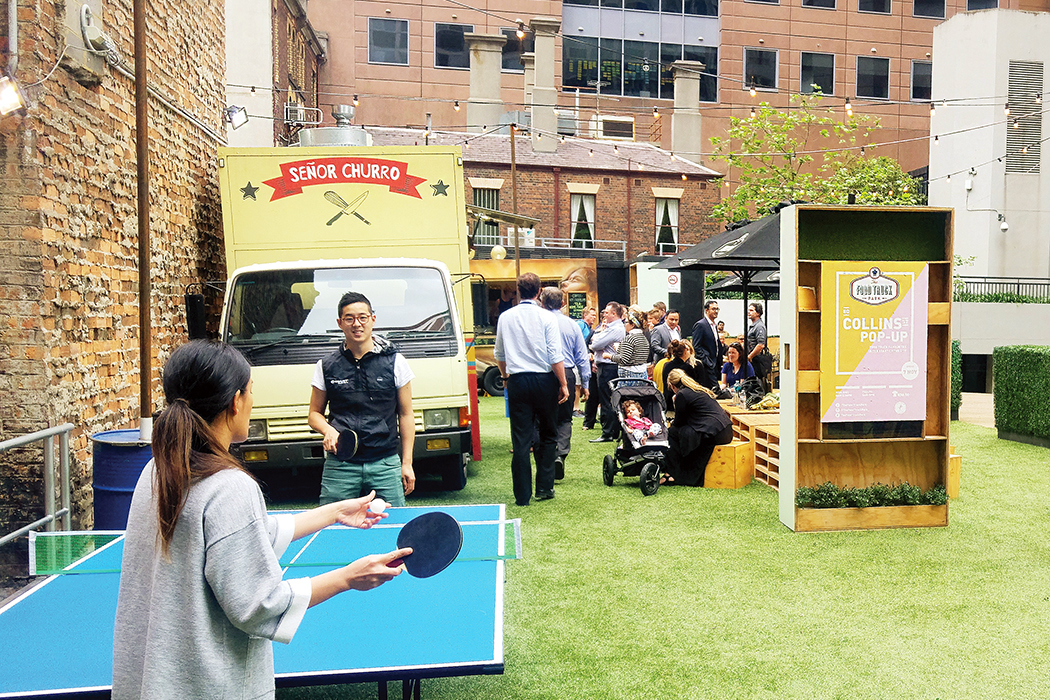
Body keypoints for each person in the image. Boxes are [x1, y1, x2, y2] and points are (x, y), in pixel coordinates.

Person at [113, 340, 410, 700]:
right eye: (251, 391)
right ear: (235, 402)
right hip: (210, 687)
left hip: (152, 683)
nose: (252, 402)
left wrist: (333, 512)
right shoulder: (230, 487)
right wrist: (349, 577)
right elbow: (258, 605)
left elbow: (240, 539)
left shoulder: (158, 471)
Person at [308, 292, 415, 507]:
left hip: (385, 462)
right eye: (349, 318)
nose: (357, 324)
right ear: (340, 323)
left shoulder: (396, 362)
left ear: (372, 320)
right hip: (341, 464)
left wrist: (407, 463)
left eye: (362, 317)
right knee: (331, 528)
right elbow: (314, 414)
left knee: (394, 526)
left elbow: (406, 414)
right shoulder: (326, 365)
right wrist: (328, 430)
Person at [494, 273, 569, 505]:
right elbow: (555, 355)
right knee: (548, 434)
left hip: (517, 380)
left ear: (518, 290)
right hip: (544, 379)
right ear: (539, 292)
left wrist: (506, 376)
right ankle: (544, 488)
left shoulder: (505, 317)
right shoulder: (547, 317)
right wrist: (564, 383)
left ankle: (522, 495)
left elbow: (500, 354)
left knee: (521, 439)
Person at [539, 286, 590, 480]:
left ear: (542, 302)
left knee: (541, 418)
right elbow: (582, 357)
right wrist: (585, 384)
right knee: (564, 419)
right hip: (567, 373)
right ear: (563, 304)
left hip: (542, 374)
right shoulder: (572, 325)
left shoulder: (538, 323)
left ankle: (547, 456)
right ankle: (559, 454)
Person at [662, 368, 733, 487]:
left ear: (671, 385)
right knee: (684, 433)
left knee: (671, 433)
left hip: (713, 433)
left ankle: (673, 472)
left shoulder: (682, 395)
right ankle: (673, 472)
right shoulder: (699, 390)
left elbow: (679, 422)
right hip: (725, 430)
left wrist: (675, 404)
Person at [588, 302, 626, 443]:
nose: (604, 314)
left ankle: (608, 433)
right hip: (607, 366)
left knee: (607, 400)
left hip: (609, 367)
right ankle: (612, 431)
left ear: (614, 314)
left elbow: (595, 344)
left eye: (606, 312)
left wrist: (597, 339)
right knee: (609, 399)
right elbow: (595, 340)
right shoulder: (611, 328)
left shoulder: (615, 328)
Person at [606, 310, 649, 381]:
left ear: (632, 325)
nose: (624, 324)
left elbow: (623, 359)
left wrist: (608, 356)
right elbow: (634, 355)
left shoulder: (629, 338)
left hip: (629, 376)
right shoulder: (643, 338)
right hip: (642, 375)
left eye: (626, 322)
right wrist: (619, 348)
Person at [663, 339, 707, 408]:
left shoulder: (666, 366)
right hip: (684, 404)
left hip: (668, 403)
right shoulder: (688, 368)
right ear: (686, 351)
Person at [689, 299, 721, 389]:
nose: (716, 311)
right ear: (706, 310)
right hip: (707, 365)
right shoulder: (701, 325)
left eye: (717, 309)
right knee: (713, 389)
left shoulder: (714, 325)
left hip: (715, 364)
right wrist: (707, 361)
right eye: (713, 309)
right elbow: (696, 346)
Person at [574, 306, 597, 417]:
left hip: (585, 358)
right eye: (592, 315)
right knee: (577, 383)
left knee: (582, 382)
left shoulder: (590, 328)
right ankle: (575, 408)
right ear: (585, 315)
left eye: (595, 315)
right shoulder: (581, 325)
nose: (594, 317)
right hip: (577, 359)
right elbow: (579, 343)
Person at [746, 301, 772, 393]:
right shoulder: (754, 326)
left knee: (757, 380)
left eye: (751, 310)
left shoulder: (759, 326)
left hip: (757, 359)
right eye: (748, 310)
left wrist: (750, 356)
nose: (749, 312)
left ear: (758, 313)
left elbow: (760, 345)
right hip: (753, 358)